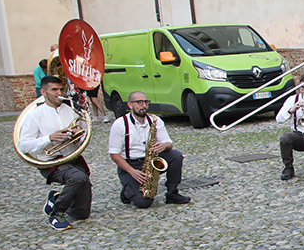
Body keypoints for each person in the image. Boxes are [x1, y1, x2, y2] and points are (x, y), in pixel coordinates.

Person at [16, 75, 93, 230]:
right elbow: (23, 146)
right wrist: (49, 138)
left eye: (60, 89)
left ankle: (56, 198)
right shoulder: (34, 115)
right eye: (54, 90)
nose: (59, 93)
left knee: (81, 213)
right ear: (43, 92)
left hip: (72, 159)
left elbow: (83, 134)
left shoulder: (70, 110)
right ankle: (56, 214)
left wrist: (79, 134)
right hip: (51, 161)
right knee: (78, 178)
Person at [108, 91, 191, 209]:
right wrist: (132, 171)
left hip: (150, 160)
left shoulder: (154, 120)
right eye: (139, 102)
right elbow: (114, 154)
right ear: (130, 105)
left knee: (175, 155)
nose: (144, 106)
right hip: (130, 165)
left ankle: (172, 193)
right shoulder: (120, 124)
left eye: (146, 102)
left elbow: (169, 143)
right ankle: (127, 190)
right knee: (143, 203)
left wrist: (164, 146)